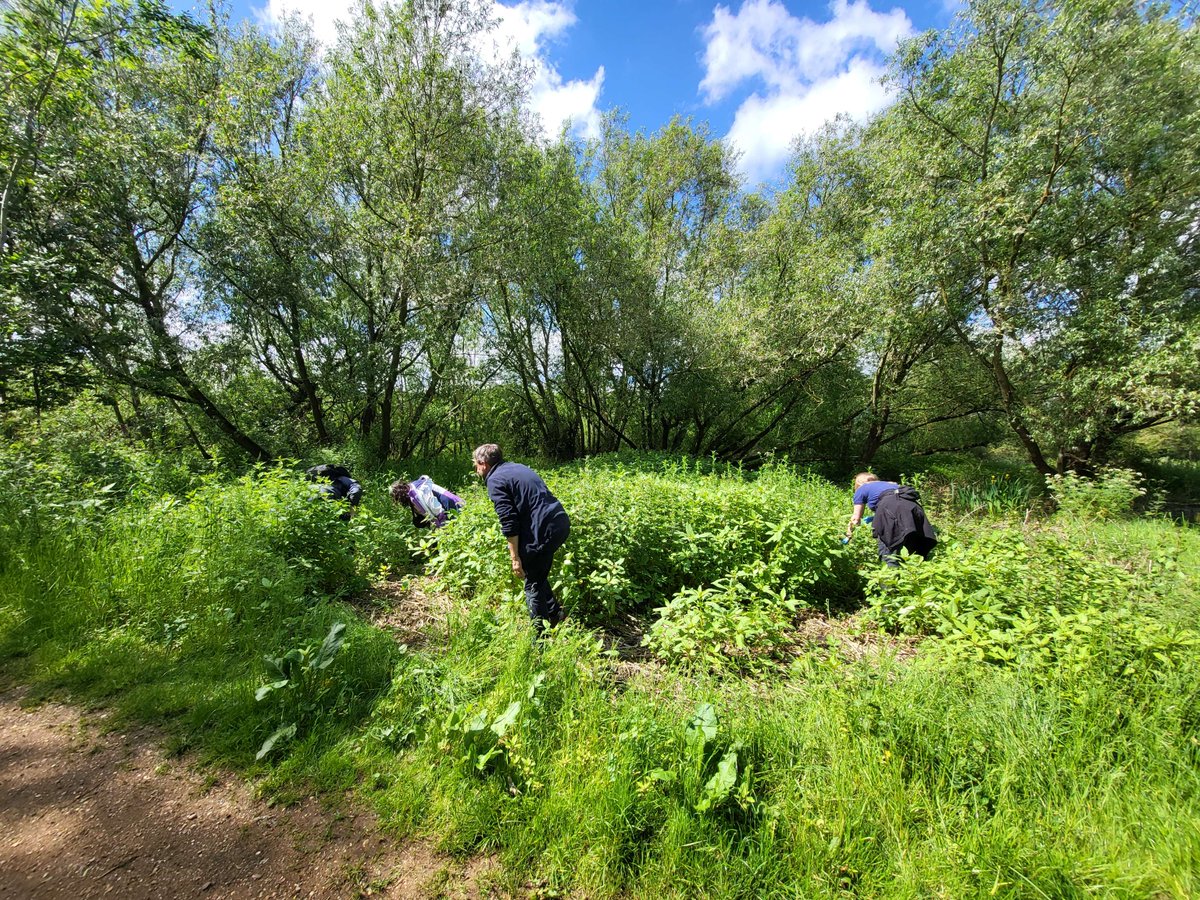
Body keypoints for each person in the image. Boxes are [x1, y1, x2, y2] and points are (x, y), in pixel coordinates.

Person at [473, 443, 571, 634]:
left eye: (476, 465)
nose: (476, 470)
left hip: (544, 529)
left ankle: (539, 641)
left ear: (483, 463)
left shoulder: (494, 480)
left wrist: (515, 558)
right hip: (560, 522)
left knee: (532, 580)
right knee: (538, 568)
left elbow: (509, 521)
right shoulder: (517, 467)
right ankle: (555, 614)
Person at [844, 472, 937, 565]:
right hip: (914, 508)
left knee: (889, 552)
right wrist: (874, 518)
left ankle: (891, 577)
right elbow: (900, 506)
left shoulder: (862, 488)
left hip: (891, 507)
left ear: (858, 484)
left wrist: (848, 535)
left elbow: (855, 519)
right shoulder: (891, 484)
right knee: (915, 550)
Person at [389, 476, 463, 529]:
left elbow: (434, 506)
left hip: (451, 504)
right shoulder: (412, 493)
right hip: (447, 507)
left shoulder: (419, 489)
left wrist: (441, 525)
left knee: (460, 526)